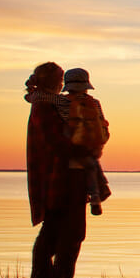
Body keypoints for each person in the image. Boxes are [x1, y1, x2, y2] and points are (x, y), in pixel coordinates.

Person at [24, 62, 91, 278]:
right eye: (60, 80)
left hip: (66, 177)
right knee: (65, 235)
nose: (63, 85)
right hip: (60, 178)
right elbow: (57, 142)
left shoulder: (54, 104)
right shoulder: (45, 106)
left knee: (58, 234)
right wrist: (84, 148)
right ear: (56, 81)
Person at [57, 68, 110, 215]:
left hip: (70, 156)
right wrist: (98, 145)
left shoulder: (61, 102)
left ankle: (96, 195)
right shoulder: (94, 103)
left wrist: (31, 93)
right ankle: (97, 194)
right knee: (92, 166)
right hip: (91, 149)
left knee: (90, 166)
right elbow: (103, 125)